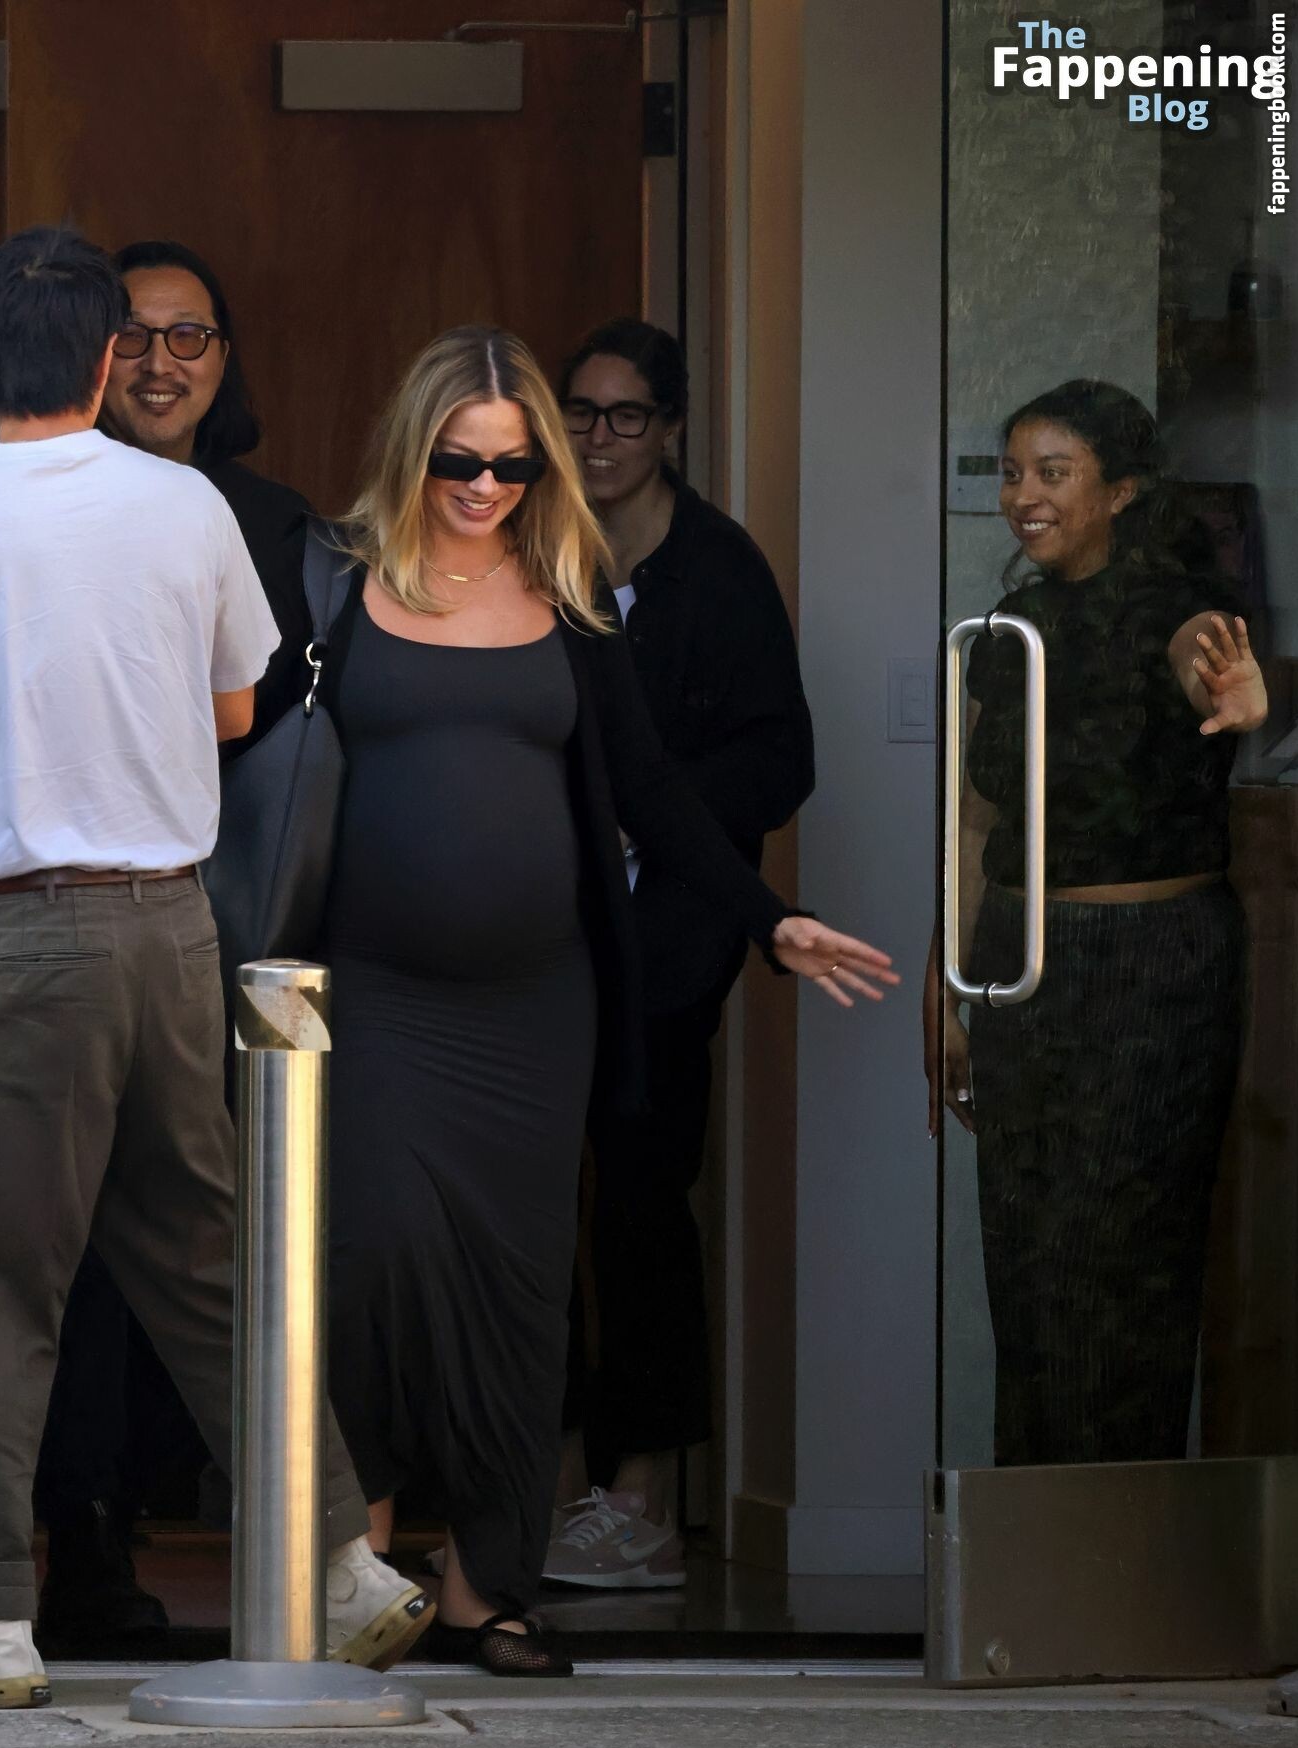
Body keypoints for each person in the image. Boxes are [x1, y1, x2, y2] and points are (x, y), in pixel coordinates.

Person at [0, 226, 426, 1709]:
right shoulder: (188, 509)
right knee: (211, 1264)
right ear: (105, 362)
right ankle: (341, 1561)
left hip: (27, 936)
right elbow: (234, 710)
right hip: (170, 928)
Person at [235, 324, 897, 1676]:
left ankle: (485, 1588)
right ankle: (356, 1574)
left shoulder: (571, 597)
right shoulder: (332, 583)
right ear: (411, 451)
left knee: (516, 1292)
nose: (485, 489)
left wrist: (766, 919)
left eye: (513, 466)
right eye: (459, 463)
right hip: (374, 999)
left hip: (536, 1011)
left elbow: (648, 787)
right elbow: (237, 740)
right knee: (369, 1266)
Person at [33, 238, 321, 1652]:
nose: (160, 363)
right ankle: (86, 1545)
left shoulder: (276, 526)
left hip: (234, 925)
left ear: (226, 356)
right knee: (83, 1245)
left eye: (188, 336)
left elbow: (282, 728)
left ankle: (250, 1543)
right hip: (79, 913)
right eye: (133, 336)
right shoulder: (36, 498)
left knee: (205, 1240)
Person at [923, 379, 1267, 1468]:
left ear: (1118, 490)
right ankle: (1034, 1544)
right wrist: (946, 986)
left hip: (1148, 970)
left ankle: (1117, 1539)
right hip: (1018, 961)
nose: (1022, 495)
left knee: (1118, 1262)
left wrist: (1237, 693)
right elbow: (973, 819)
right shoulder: (1007, 630)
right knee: (1024, 1263)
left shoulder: (1179, 605)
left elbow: (1211, 664)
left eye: (1052, 473)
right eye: (1012, 473)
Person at [543, 319, 814, 1590]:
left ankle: (639, 1497)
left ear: (671, 429)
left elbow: (781, 759)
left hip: (671, 941)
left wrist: (651, 815)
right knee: (529, 1206)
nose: (599, 439)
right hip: (538, 930)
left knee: (644, 1203)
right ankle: (541, 1479)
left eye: (626, 416)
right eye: (579, 413)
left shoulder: (718, 568)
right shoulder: (530, 544)